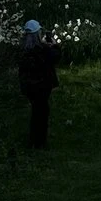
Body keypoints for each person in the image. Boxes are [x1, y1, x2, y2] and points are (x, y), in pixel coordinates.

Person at [17, 19, 60, 149]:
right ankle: (40, 142)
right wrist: (54, 45)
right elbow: (56, 57)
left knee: (36, 112)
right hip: (42, 86)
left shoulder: (23, 51)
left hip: (29, 87)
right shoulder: (42, 49)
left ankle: (33, 141)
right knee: (42, 113)